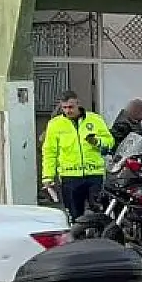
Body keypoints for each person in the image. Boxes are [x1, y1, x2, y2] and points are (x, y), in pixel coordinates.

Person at [41, 90, 114, 220]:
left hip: (94, 175)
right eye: (64, 107)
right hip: (70, 177)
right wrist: (47, 177)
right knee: (75, 215)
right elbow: (49, 152)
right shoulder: (55, 124)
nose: (68, 111)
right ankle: (78, 237)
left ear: (78, 104)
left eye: (71, 107)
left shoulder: (95, 119)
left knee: (98, 212)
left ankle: (98, 237)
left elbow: (110, 141)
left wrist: (97, 142)